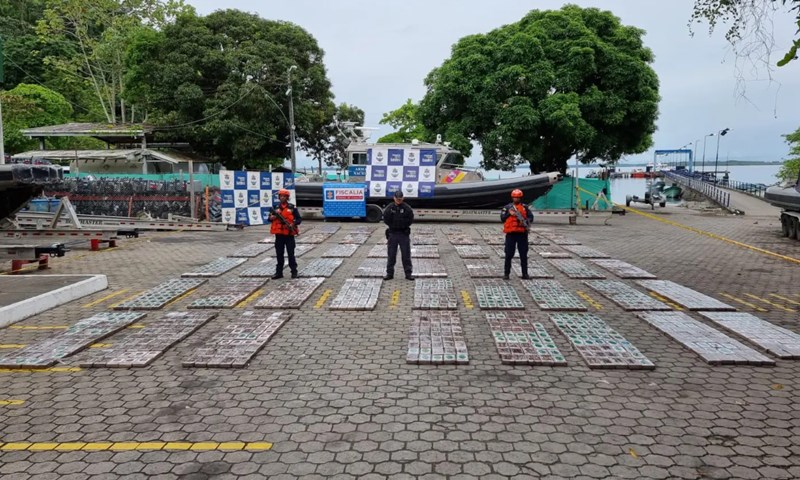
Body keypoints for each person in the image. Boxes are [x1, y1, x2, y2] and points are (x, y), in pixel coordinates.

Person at [269, 189, 301, 279]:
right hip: (279, 236)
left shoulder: (292, 208)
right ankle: (279, 273)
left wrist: (293, 224)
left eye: (284, 196)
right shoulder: (275, 208)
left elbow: (299, 219)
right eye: (281, 196)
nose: (282, 197)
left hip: (289, 235)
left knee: (291, 254)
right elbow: (269, 218)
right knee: (279, 254)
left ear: (287, 197)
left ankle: (294, 272)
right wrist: (272, 217)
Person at [501, 188, 533, 280]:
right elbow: (502, 218)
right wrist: (509, 214)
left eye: (518, 198)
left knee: (523, 254)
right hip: (511, 235)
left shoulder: (525, 207)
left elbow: (531, 217)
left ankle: (525, 274)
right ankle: (506, 274)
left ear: (521, 198)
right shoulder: (507, 208)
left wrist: (526, 222)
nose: (516, 199)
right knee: (509, 254)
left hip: (522, 234)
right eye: (515, 197)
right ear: (512, 197)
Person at [383, 190, 414, 280]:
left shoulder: (407, 208)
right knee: (391, 255)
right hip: (393, 234)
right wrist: (393, 226)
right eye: (397, 199)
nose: (399, 201)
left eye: (400, 199)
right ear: (394, 198)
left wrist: (403, 226)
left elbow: (410, 219)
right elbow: (386, 219)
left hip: (403, 234)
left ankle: (408, 274)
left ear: (403, 198)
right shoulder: (390, 208)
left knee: (406, 255)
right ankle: (389, 274)